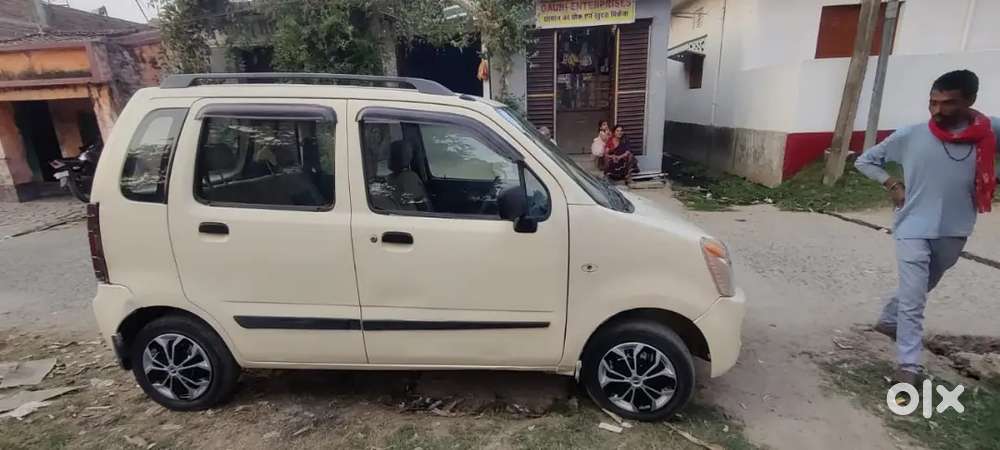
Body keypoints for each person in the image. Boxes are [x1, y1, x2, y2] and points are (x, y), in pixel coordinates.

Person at [855, 69, 999, 385]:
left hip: (956, 226)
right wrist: (891, 182)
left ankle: (890, 320)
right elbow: (865, 160)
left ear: (970, 101)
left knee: (923, 285)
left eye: (948, 103)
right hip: (912, 224)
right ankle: (909, 366)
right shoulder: (912, 134)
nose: (937, 110)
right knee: (914, 295)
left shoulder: (991, 132)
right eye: (932, 102)